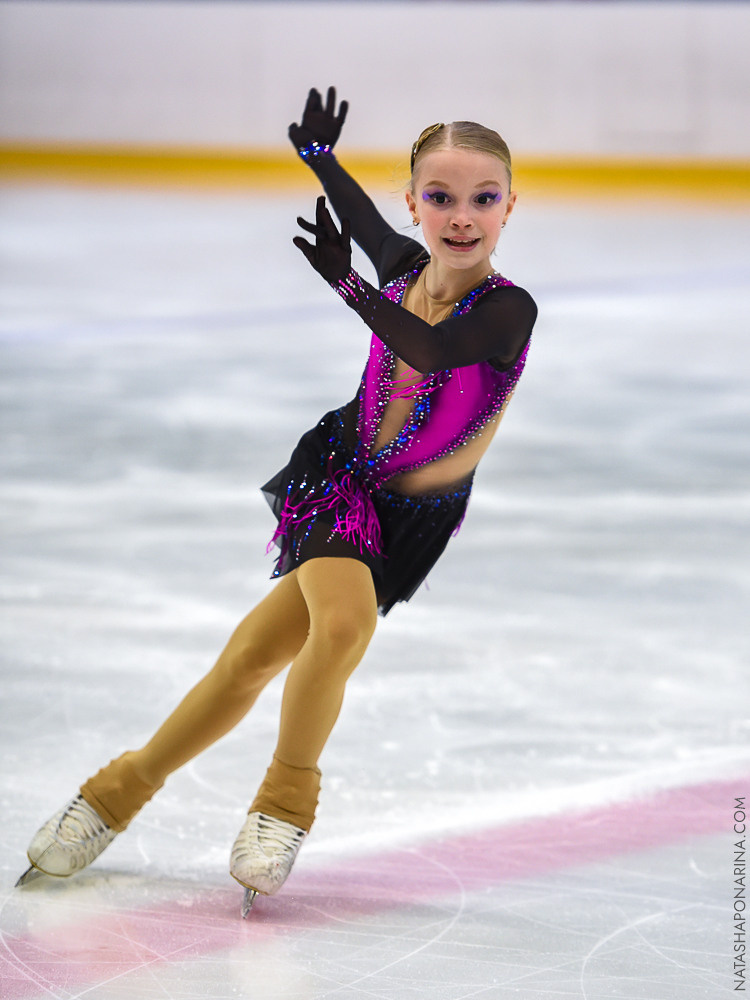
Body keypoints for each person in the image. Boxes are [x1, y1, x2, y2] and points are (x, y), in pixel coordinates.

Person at [17, 87, 537, 915]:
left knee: (252, 661)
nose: (462, 216)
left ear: (512, 205)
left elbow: (434, 350)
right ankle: (285, 803)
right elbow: (364, 226)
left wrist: (344, 287)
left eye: (484, 198)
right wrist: (321, 160)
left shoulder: (510, 310)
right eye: (439, 197)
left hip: (417, 520)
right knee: (342, 626)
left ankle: (118, 790)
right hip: (337, 476)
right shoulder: (402, 267)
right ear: (416, 203)